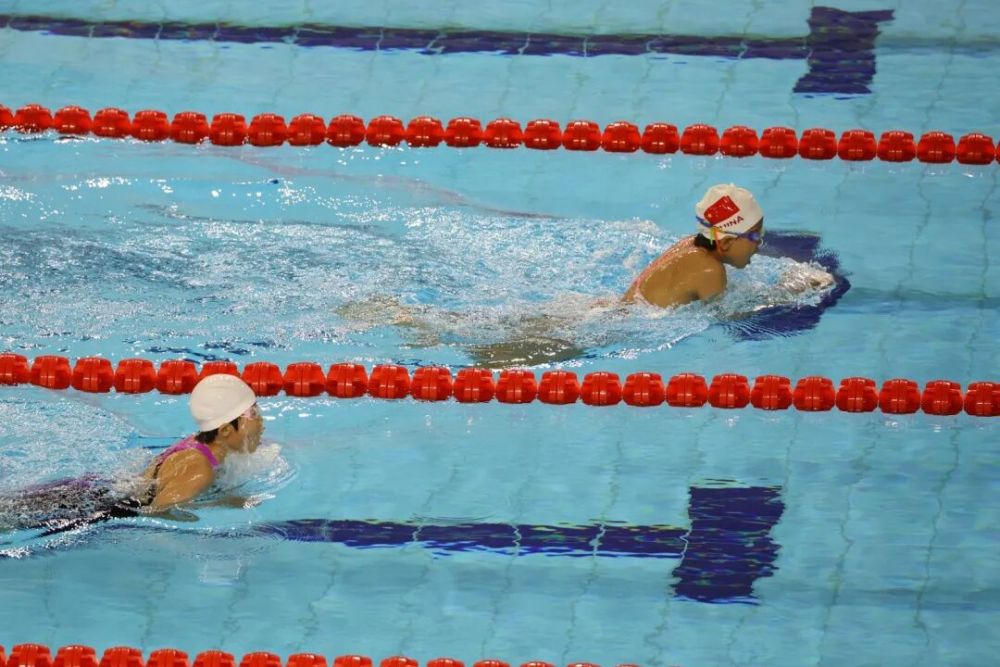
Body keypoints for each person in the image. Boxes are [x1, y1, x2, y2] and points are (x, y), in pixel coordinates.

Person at [0, 374, 265, 536]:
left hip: (99, 489)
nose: (261, 422)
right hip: (103, 507)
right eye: (253, 414)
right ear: (226, 430)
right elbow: (157, 512)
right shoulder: (200, 469)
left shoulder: (198, 444)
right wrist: (224, 502)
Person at [624, 183, 834, 308]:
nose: (759, 244)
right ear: (725, 243)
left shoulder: (690, 245)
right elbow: (728, 316)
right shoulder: (710, 270)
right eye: (755, 236)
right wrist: (789, 292)